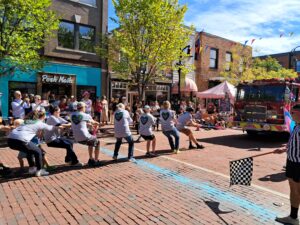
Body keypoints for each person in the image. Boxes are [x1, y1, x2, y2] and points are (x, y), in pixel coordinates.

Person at [7, 110, 60, 176]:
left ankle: (32, 169)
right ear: (42, 117)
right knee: (38, 151)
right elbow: (51, 128)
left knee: (29, 151)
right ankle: (39, 170)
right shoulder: (39, 123)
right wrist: (60, 127)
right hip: (21, 140)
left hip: (10, 140)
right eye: (44, 117)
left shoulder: (26, 121)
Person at [275, 125, 300, 225]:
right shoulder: (296, 126)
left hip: (297, 164)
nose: (291, 113)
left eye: (293, 111)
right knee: (293, 189)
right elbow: (293, 144)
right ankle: (293, 217)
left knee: (296, 191)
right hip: (291, 162)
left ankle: (293, 218)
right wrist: (284, 149)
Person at [71, 102, 101, 167]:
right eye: (85, 107)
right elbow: (94, 123)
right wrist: (98, 123)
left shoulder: (72, 115)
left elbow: (79, 122)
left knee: (91, 141)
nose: (86, 108)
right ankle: (96, 160)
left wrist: (87, 124)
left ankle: (91, 159)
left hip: (76, 138)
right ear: (83, 108)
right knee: (97, 142)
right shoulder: (86, 115)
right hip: (84, 136)